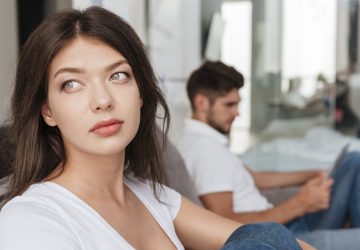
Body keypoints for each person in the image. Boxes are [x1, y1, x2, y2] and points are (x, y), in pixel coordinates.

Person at [0, 7, 311, 250]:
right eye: (72, 84)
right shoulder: (29, 220)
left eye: (118, 76)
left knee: (267, 236)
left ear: (141, 94)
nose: (103, 100)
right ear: (48, 111)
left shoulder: (152, 195)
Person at [178, 60, 360, 249]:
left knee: (353, 160)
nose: (236, 113)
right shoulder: (206, 151)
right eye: (229, 105)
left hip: (285, 224)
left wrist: (312, 173)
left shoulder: (209, 142)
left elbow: (254, 178)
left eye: (237, 104)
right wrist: (300, 203)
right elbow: (227, 223)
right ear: (201, 103)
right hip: (284, 237)